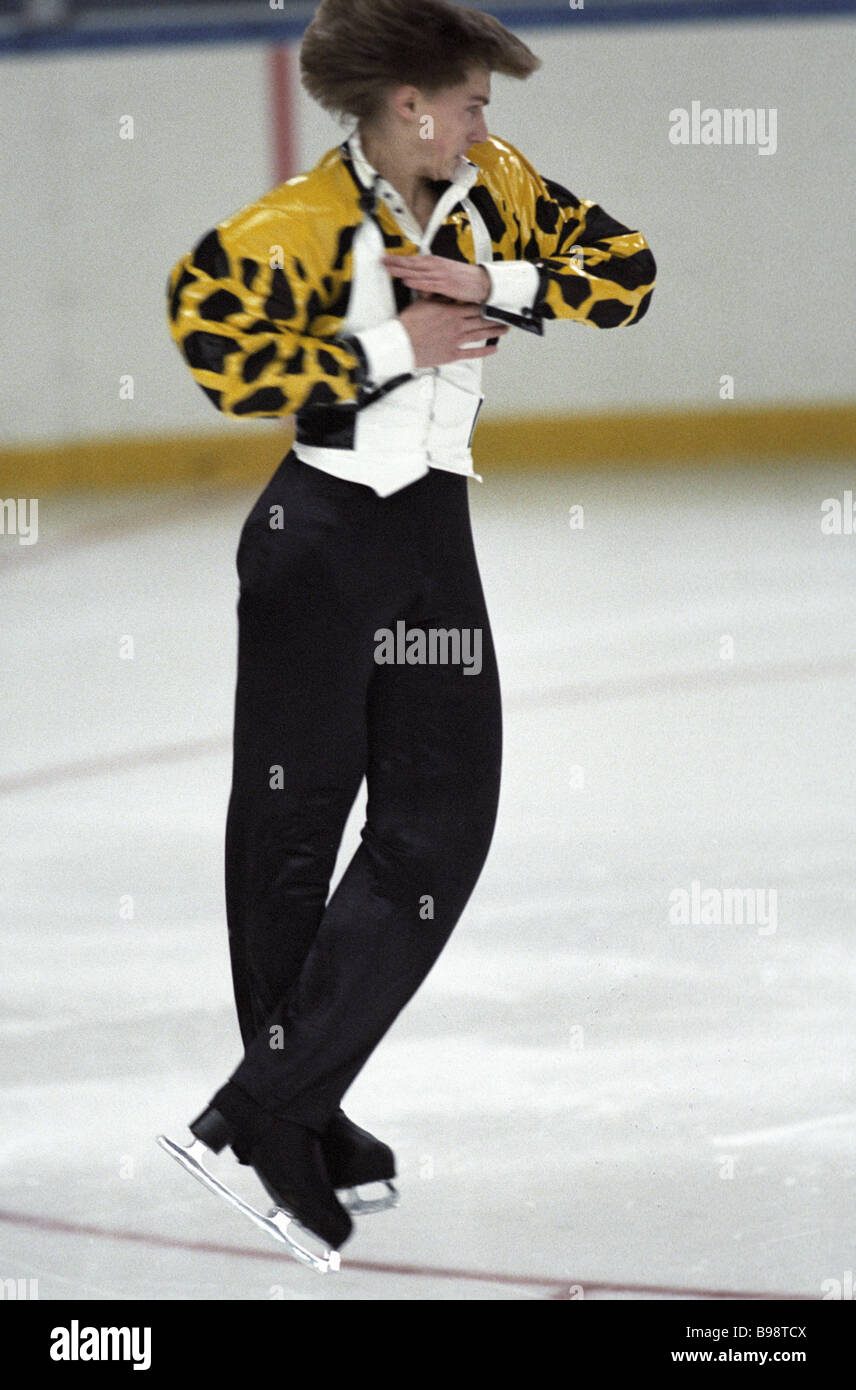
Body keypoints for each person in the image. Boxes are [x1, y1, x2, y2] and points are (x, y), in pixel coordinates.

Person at [159, 0, 656, 1270]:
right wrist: (395, 342)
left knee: (440, 827)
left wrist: (497, 283)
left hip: (431, 544)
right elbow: (215, 346)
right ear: (409, 107)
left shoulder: (499, 187)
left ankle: (267, 1104)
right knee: (292, 828)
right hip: (317, 543)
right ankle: (296, 1117)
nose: (489, 121)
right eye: (474, 101)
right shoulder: (297, 224)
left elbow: (630, 276)